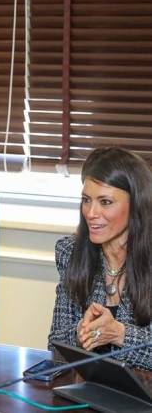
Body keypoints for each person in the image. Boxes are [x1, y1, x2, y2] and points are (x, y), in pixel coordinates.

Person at [48, 147, 152, 371]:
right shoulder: (71, 253)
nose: (91, 213)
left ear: (136, 204)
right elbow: (55, 346)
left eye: (105, 202)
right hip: (89, 386)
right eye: (86, 200)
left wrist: (119, 334)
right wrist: (81, 331)